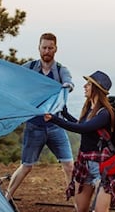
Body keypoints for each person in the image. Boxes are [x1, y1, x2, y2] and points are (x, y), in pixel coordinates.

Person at [45, 70, 115, 212]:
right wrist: (62, 113)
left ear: (96, 88)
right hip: (85, 163)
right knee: (81, 209)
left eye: (88, 84)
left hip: (104, 166)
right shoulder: (90, 109)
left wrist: (54, 119)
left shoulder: (105, 113)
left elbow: (82, 129)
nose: (85, 87)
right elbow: (82, 124)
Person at [5, 32, 75, 202]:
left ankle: (77, 206)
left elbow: (69, 83)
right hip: (34, 126)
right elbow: (12, 76)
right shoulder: (29, 68)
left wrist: (65, 88)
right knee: (26, 166)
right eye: (44, 47)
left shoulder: (60, 70)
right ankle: (6, 198)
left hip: (55, 126)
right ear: (39, 48)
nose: (47, 51)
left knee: (69, 166)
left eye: (50, 48)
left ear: (55, 49)